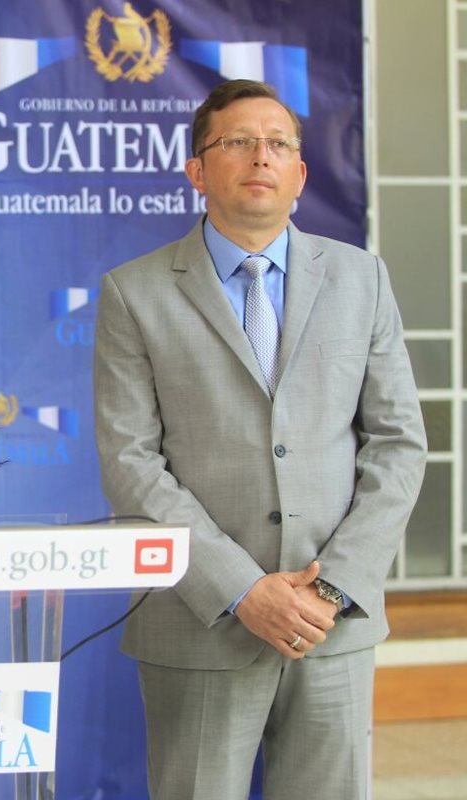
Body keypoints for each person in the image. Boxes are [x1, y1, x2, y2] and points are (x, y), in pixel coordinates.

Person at [93, 79, 427, 800]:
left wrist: (332, 585)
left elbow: (398, 445)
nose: (260, 156)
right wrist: (242, 590)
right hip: (200, 623)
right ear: (196, 169)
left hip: (330, 624)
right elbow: (130, 463)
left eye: (278, 144)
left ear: (301, 174)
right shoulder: (134, 291)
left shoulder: (361, 279)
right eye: (238, 141)